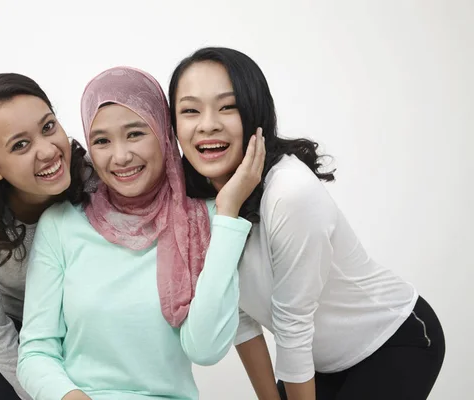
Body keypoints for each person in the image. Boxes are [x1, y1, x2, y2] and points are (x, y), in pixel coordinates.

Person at [169, 47, 445, 400]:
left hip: (393, 340)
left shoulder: (289, 193)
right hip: (319, 361)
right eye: (190, 110)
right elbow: (239, 316)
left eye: (228, 106)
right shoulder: (198, 204)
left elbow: (293, 326)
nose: (207, 124)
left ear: (256, 112)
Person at [16, 66, 265, 400]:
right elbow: (35, 353)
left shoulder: (205, 220)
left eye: (135, 134)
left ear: (164, 133)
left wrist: (228, 212)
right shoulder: (62, 224)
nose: (120, 157)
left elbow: (205, 348)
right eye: (102, 141)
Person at [0, 73, 91, 400]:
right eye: (20, 145)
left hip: (83, 322)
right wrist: (45, 391)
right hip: (12, 330)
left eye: (49, 127)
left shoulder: (94, 177)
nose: (48, 150)